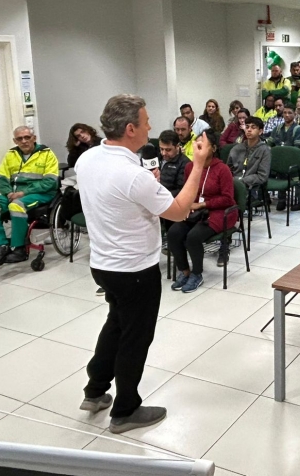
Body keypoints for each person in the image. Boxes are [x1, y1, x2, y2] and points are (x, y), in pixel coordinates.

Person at [76, 94, 211, 433]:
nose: (152, 127)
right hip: (134, 269)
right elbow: (179, 211)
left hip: (103, 264)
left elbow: (116, 200)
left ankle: (94, 392)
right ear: (131, 128)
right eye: (146, 121)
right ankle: (125, 410)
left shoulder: (88, 159)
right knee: (135, 337)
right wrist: (198, 164)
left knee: (116, 325)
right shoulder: (132, 174)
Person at [0, 126, 60, 270]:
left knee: (16, 205)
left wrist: (23, 193)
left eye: (27, 137)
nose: (24, 141)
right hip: (14, 193)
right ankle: (0, 246)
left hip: (41, 193)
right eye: (20, 139)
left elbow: (50, 181)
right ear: (15, 141)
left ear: (34, 138)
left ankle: (19, 248)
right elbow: (1, 177)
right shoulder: (11, 155)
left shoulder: (47, 154)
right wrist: (8, 192)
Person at [167, 131, 237, 288]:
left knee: (193, 237)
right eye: (196, 144)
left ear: (212, 148)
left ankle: (197, 274)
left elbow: (228, 199)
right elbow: (188, 191)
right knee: (173, 233)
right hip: (195, 210)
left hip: (220, 212)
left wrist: (203, 205)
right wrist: (187, 206)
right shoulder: (190, 167)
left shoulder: (222, 169)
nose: (198, 148)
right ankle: (184, 271)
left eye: (202, 145)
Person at [269, 108, 300, 212]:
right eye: (285, 113)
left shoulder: (298, 129)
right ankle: (282, 200)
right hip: (279, 161)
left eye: (290, 113)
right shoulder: (277, 129)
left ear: (295, 114)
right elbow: (270, 144)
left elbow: (297, 150)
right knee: (275, 170)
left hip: (294, 161)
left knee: (294, 174)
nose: (286, 115)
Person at [227, 117, 272, 191]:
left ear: (260, 131)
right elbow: (228, 169)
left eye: (253, 127)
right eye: (247, 127)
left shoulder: (264, 150)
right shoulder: (236, 149)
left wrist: (241, 181)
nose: (249, 130)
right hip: (232, 184)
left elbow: (262, 176)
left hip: (252, 187)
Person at [156, 130, 189, 198]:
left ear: (177, 146)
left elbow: (181, 190)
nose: (163, 153)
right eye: (161, 149)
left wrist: (160, 196)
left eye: (168, 150)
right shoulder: (156, 157)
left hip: (170, 201)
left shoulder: (185, 163)